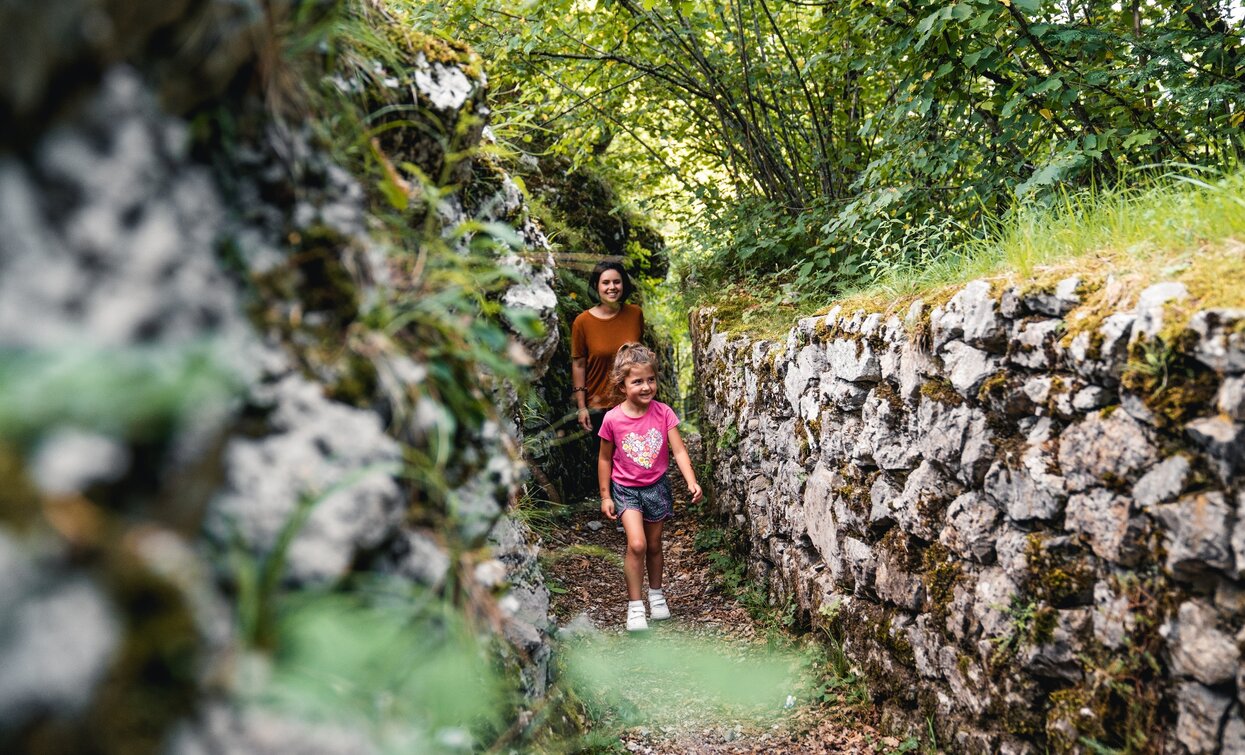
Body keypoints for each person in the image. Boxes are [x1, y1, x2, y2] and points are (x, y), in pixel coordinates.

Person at [598, 343, 703, 632]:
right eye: (638, 381)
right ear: (622, 386)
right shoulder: (612, 419)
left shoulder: (663, 413)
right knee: (637, 544)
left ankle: (656, 595)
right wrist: (606, 495)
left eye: (651, 380)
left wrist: (690, 480)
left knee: (655, 545)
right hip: (625, 489)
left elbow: (679, 451)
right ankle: (635, 607)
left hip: (657, 487)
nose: (646, 387)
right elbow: (605, 458)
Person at [570, 261, 644, 439]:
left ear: (624, 284)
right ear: (596, 286)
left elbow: (640, 359)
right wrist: (581, 408)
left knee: (637, 461)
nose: (612, 287)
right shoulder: (582, 322)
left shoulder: (635, 314)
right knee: (606, 462)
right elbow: (579, 365)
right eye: (606, 283)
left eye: (617, 282)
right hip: (599, 407)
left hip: (633, 402)